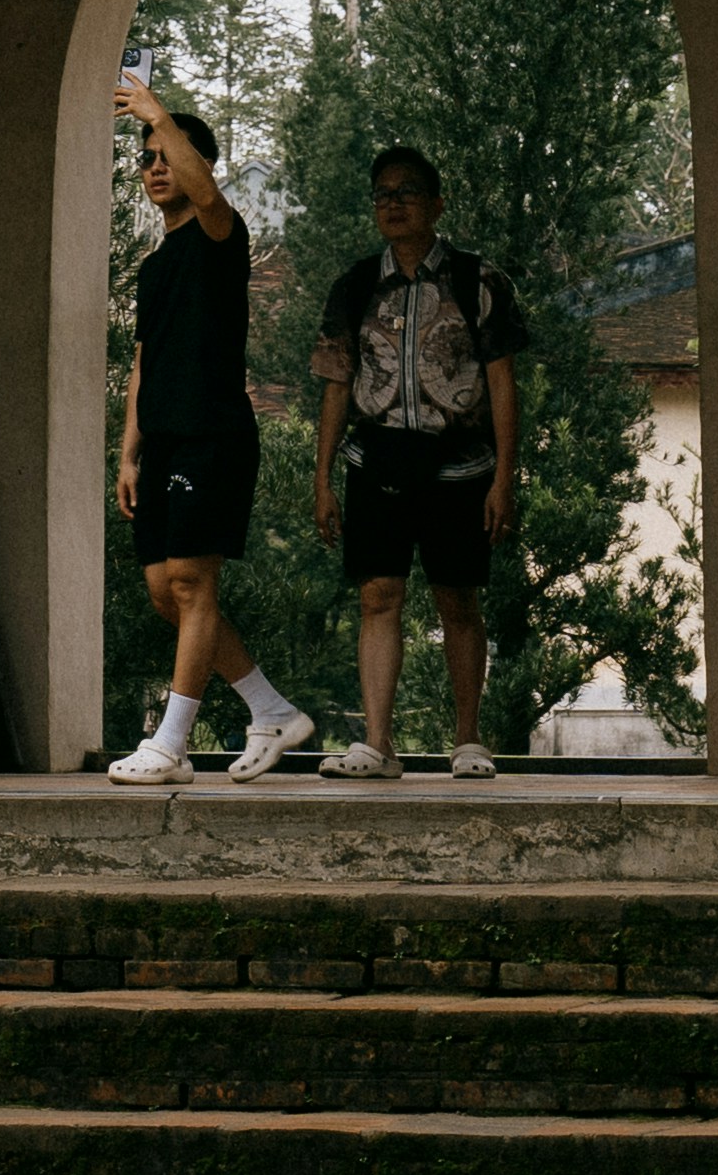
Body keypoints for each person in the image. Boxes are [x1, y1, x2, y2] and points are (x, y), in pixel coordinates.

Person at [104, 82, 319, 779]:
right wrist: (128, 451)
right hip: (162, 439)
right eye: (146, 159)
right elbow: (142, 365)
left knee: (194, 584)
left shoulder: (222, 233)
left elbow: (204, 193)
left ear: (200, 165)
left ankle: (170, 744)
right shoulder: (154, 267)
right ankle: (273, 711)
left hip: (214, 434)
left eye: (168, 155)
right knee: (166, 594)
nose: (155, 166)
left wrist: (159, 117)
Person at [303, 146, 528, 782]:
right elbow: (336, 383)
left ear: (436, 203)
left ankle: (468, 741)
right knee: (379, 595)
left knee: (458, 599)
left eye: (406, 192)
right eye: (381, 194)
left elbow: (504, 383)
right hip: (375, 462)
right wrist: (321, 480)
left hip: (459, 465)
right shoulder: (354, 285)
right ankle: (377, 744)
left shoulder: (477, 281)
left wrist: (504, 478)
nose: (392, 204)